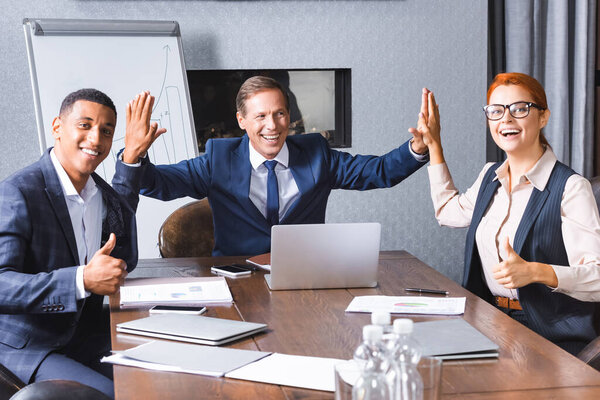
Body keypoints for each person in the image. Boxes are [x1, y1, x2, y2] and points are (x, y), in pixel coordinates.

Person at [117, 76, 430, 256]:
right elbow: (159, 183)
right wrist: (132, 156)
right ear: (241, 121)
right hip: (236, 279)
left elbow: (378, 171)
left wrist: (417, 147)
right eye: (261, 116)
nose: (273, 125)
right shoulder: (219, 158)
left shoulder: (316, 153)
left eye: (279, 114)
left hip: (305, 279)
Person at [411, 72, 600, 355]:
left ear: (543, 117)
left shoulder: (571, 188)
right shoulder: (490, 176)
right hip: (489, 320)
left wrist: (536, 271)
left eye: (520, 109)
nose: (506, 120)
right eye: (496, 111)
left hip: (548, 333)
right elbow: (448, 212)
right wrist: (434, 145)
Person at [0, 89, 162, 397]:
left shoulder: (100, 195)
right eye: (84, 125)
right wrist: (81, 279)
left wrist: (131, 156)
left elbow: (119, 219)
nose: (96, 139)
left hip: (84, 336)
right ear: (58, 128)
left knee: (161, 379)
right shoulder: (17, 192)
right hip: (31, 345)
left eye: (106, 131)